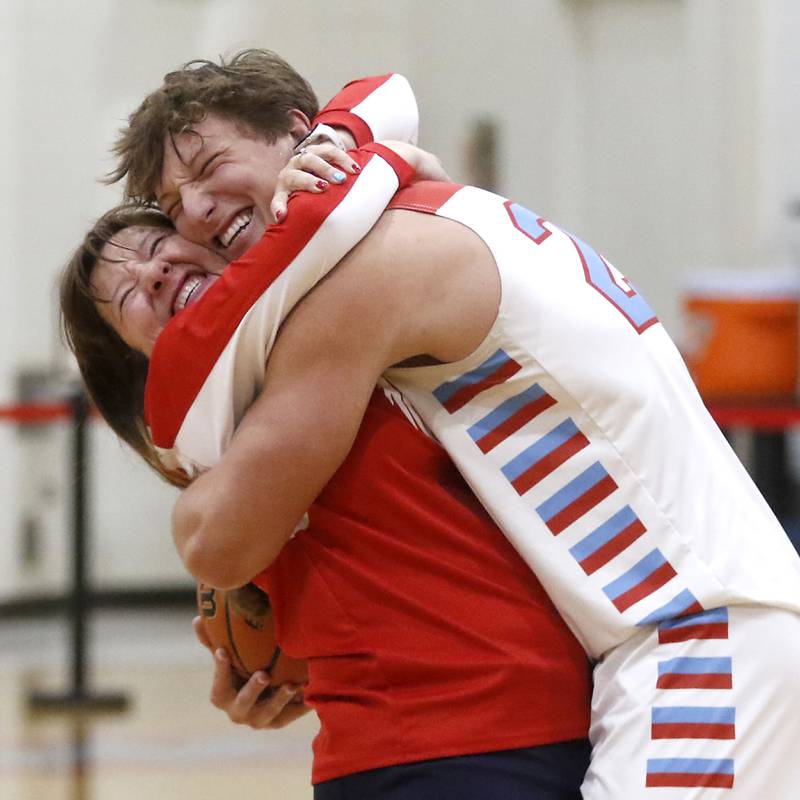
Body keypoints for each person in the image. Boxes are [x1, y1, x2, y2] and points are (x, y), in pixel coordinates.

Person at [107, 50, 800, 799]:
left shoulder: (370, 271)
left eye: (211, 167)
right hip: (674, 633)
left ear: (301, 134)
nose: (201, 211)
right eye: (177, 208)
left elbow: (217, 529)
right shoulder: (431, 200)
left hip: (694, 632)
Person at [61, 66, 595, 798]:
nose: (154, 275)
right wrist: (275, 668)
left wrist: (365, 151)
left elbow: (214, 542)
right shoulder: (212, 437)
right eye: (128, 294)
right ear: (134, 360)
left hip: (500, 723)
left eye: (159, 248)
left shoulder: (342, 294)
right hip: (362, 750)